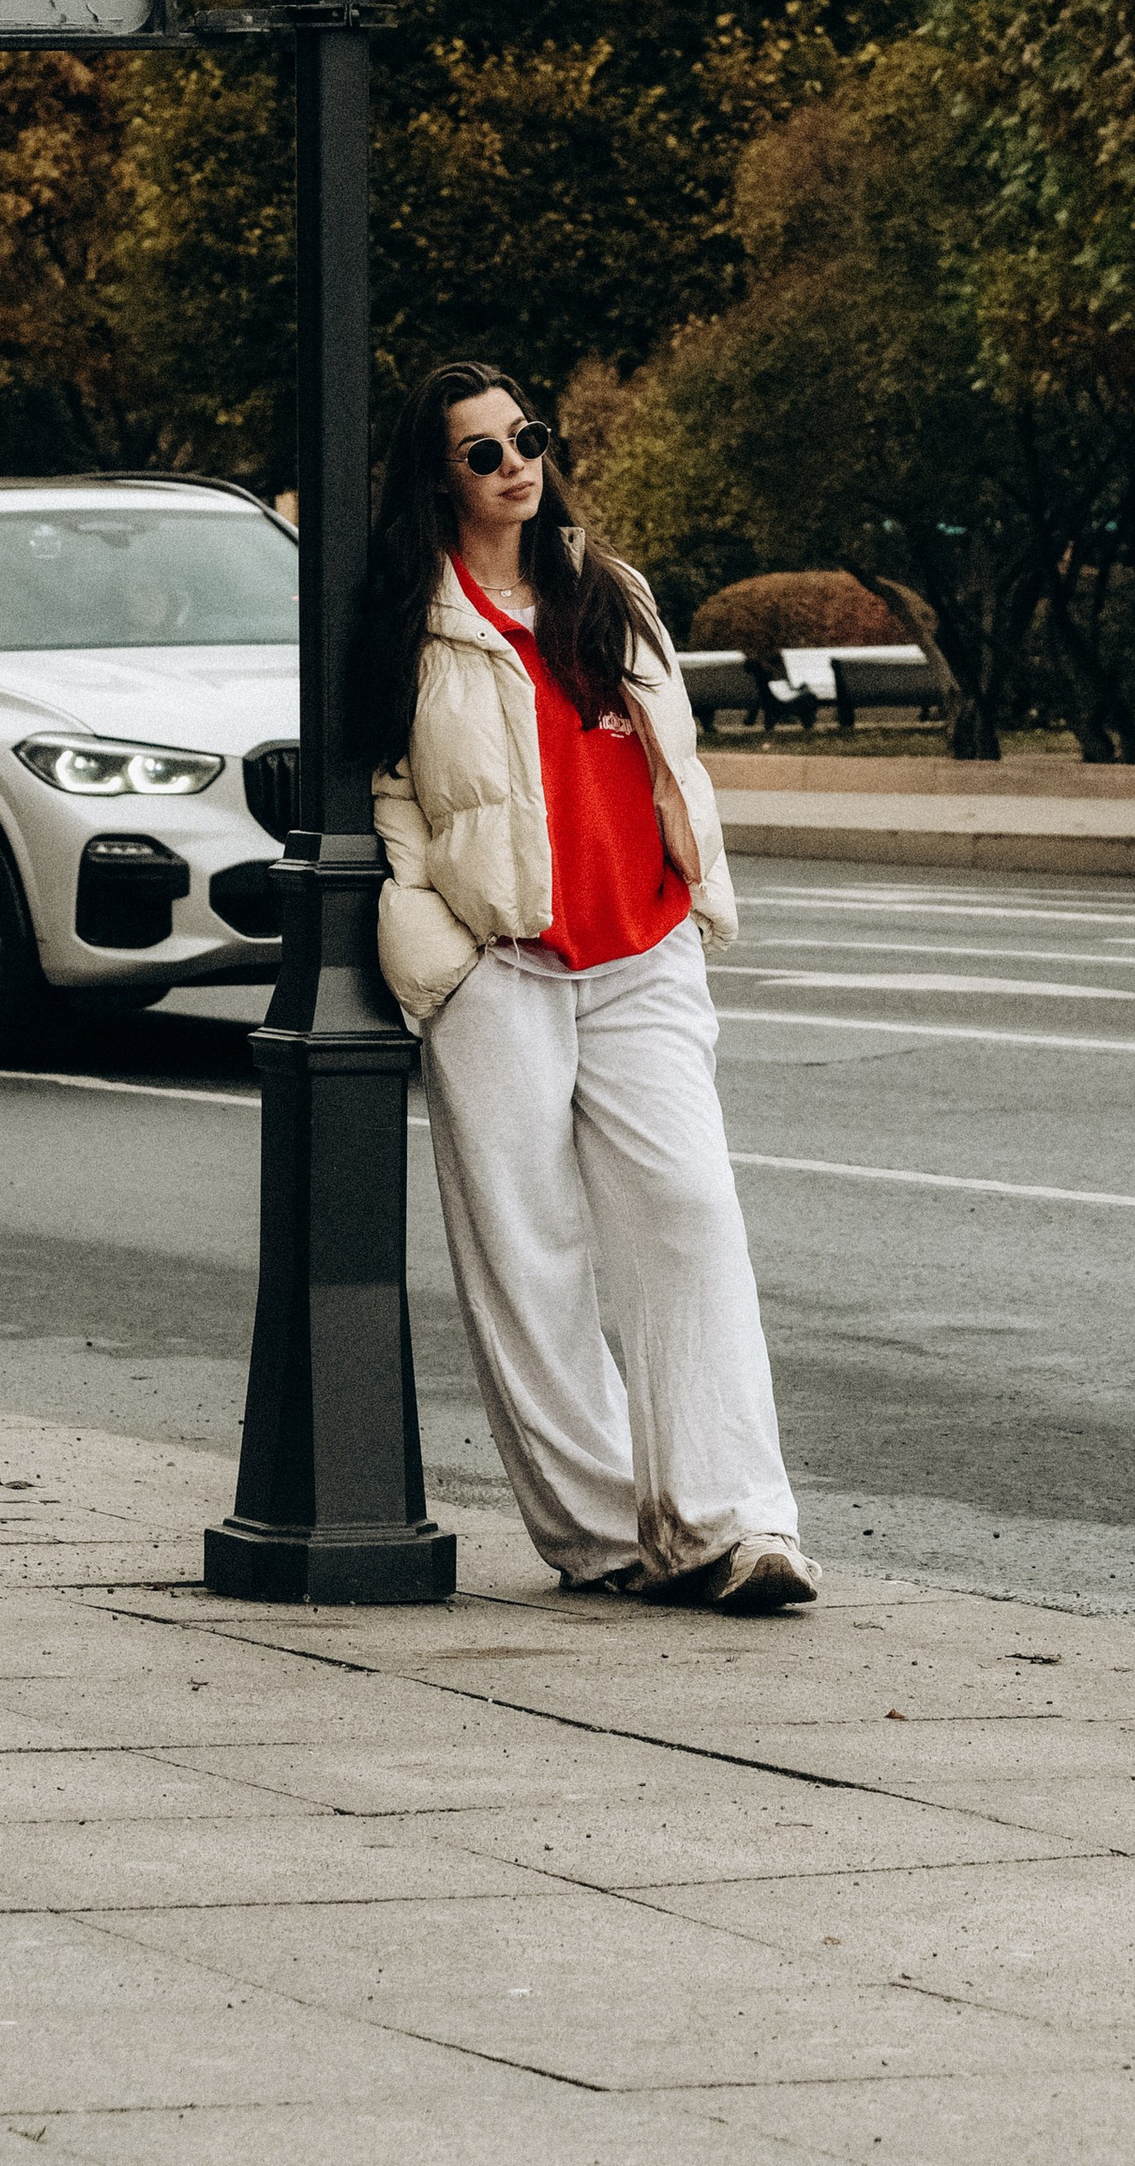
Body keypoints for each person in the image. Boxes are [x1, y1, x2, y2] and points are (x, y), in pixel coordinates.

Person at [352, 356, 817, 1613]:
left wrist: (692, 887)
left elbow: (667, 755)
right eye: (483, 452)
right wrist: (431, 935)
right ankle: (609, 1535)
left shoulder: (606, 591)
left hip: (642, 948)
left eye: (527, 438)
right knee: (531, 1254)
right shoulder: (416, 612)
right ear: (438, 476)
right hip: (498, 956)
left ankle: (735, 1522)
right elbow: (388, 785)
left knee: (688, 1211)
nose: (516, 466)